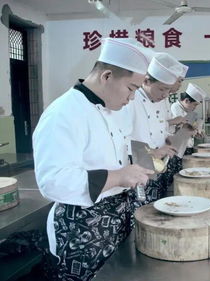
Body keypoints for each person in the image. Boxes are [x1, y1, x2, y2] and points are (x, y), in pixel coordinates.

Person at [33, 38, 156, 280]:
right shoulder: (63, 113)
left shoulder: (115, 110)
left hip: (118, 217)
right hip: (81, 228)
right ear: (107, 76)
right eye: (131, 88)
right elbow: (53, 182)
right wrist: (119, 176)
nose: (132, 98)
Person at [118, 52, 189, 199]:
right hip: (138, 170)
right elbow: (121, 140)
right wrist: (151, 152)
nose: (165, 95)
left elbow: (159, 128)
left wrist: (168, 138)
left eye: (169, 90)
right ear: (146, 81)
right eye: (162, 89)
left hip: (157, 166)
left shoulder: (158, 100)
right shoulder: (130, 99)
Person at [170, 83, 207, 155]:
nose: (195, 107)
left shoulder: (188, 111)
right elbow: (182, 127)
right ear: (186, 100)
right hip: (177, 150)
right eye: (195, 104)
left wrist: (198, 132)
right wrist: (194, 131)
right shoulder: (175, 107)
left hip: (187, 147)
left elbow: (191, 127)